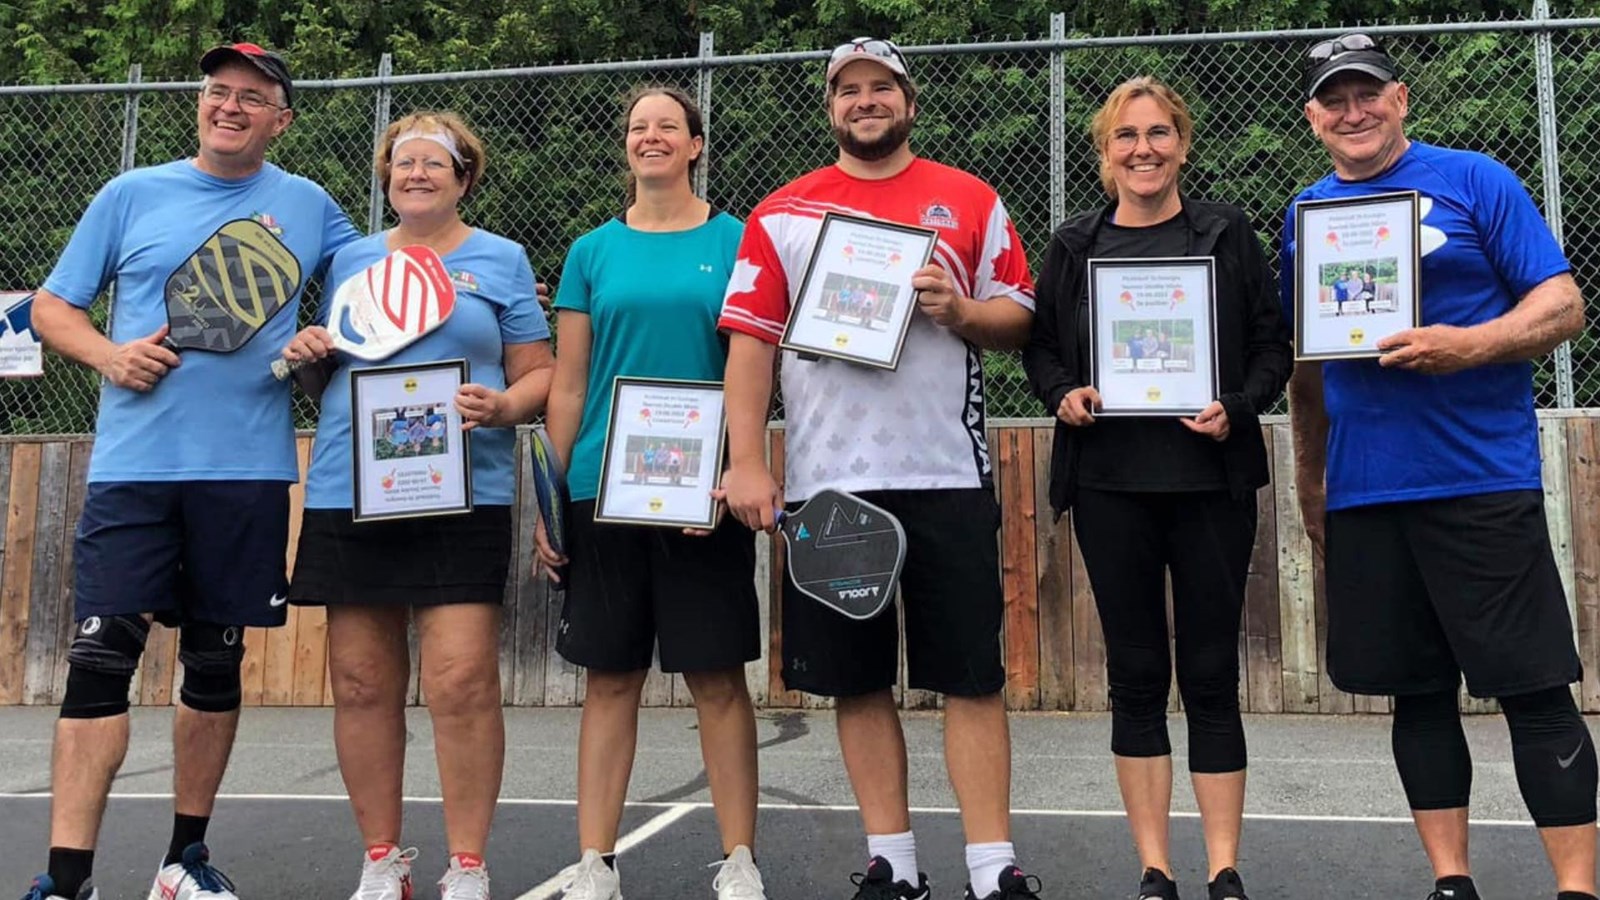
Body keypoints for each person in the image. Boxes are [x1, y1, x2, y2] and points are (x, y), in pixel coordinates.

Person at [19, 43, 360, 900]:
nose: (231, 106)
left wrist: (325, 340)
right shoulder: (129, 194)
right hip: (134, 471)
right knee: (100, 658)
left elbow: (378, 290)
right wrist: (108, 354)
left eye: (253, 97)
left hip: (245, 473)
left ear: (281, 119)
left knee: (213, 663)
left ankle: (184, 861)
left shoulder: (312, 206)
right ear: (200, 103)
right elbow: (53, 306)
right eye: (218, 92)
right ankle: (67, 880)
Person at [719, 37, 1042, 900]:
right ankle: (891, 863)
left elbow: (1019, 313)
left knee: (972, 677)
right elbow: (749, 344)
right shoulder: (781, 212)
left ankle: (992, 865)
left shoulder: (968, 198)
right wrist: (747, 460)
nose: (865, 101)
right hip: (832, 479)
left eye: (881, 88)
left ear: (908, 100)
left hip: (948, 471)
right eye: (848, 90)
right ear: (831, 107)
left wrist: (963, 310)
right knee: (857, 679)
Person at [1284, 34, 1594, 900]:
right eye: (1334, 99)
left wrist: (1472, 345)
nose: (1354, 112)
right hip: (1367, 490)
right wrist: (1313, 479)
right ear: (1312, 117)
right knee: (1415, 697)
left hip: (1479, 479)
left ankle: (1576, 888)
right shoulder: (1305, 215)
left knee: (1534, 690)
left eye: (1368, 94)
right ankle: (1451, 882)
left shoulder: (1476, 181)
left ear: (1401, 98)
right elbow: (1307, 370)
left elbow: (1562, 303)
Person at [1022, 76, 1291, 900]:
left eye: (1159, 133)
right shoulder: (1074, 244)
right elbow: (1039, 350)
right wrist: (1062, 394)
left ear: (1183, 142)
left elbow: (1270, 347)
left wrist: (1238, 407)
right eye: (1126, 137)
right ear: (1105, 153)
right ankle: (1154, 868)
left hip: (1210, 484)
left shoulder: (1226, 232)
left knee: (1211, 674)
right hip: (1109, 485)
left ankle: (1222, 868)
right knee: (1135, 676)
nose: (1144, 149)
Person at [278, 110, 554, 900]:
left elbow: (538, 374)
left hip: (462, 489)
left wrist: (503, 408)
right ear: (387, 179)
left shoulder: (501, 260)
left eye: (436, 163)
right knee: (361, 680)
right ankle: (382, 858)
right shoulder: (350, 262)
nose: (417, 174)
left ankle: (466, 863)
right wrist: (306, 359)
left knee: (462, 678)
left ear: (465, 176)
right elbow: (334, 383)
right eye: (404, 164)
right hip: (348, 485)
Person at [533, 85, 766, 900]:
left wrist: (737, 469)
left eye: (668, 124)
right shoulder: (591, 251)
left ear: (696, 144)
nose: (651, 136)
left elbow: (752, 371)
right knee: (610, 679)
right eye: (638, 127)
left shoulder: (740, 242)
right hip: (605, 488)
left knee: (716, 678)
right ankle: (596, 862)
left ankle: (739, 860)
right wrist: (554, 496)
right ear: (626, 147)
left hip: (706, 494)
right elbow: (567, 386)